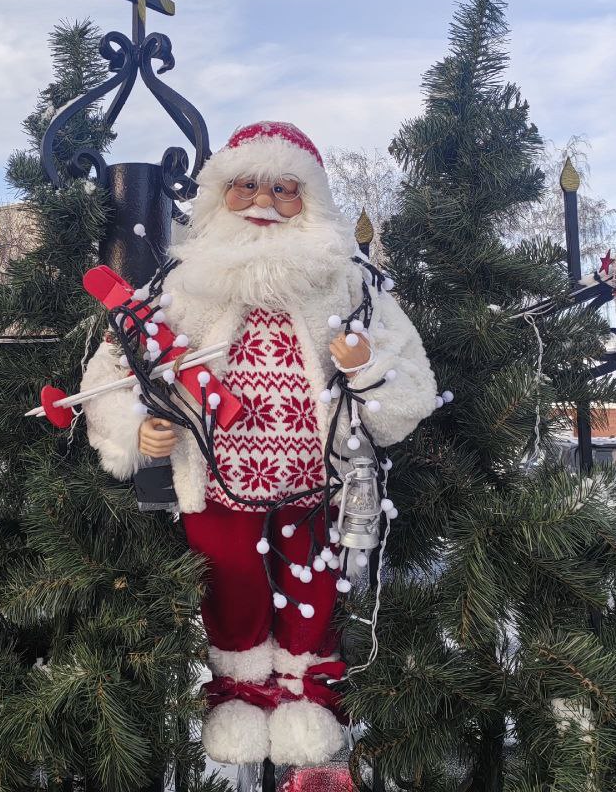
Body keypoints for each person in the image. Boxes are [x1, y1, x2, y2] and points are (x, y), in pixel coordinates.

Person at [81, 121, 436, 765]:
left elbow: (410, 387)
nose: (264, 201)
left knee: (314, 585)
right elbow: (118, 362)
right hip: (214, 474)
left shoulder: (351, 285)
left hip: (320, 478)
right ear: (220, 195)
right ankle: (239, 692)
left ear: (312, 200)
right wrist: (136, 428)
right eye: (245, 186)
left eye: (284, 188)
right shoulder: (182, 282)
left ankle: (307, 692)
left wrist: (366, 368)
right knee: (229, 580)